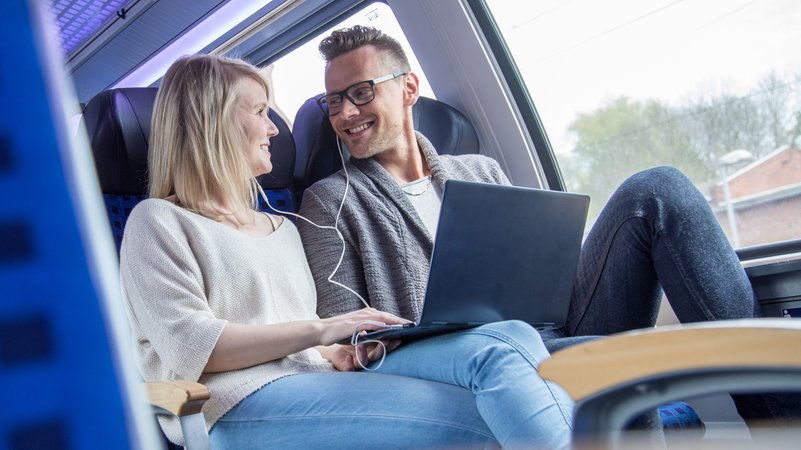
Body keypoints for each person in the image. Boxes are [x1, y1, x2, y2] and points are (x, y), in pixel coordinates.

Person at [296, 25, 800, 431]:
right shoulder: (332, 201)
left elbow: (532, 267)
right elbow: (346, 331)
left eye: (360, 93)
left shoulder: (480, 170)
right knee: (613, 359)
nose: (345, 113)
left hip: (552, 322)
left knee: (658, 189)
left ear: (408, 87)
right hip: (477, 355)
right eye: (333, 101)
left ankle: (781, 420)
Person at [119, 53, 574, 449]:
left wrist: (336, 352)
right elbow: (192, 348)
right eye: (259, 111)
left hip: (312, 383)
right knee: (483, 423)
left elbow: (296, 338)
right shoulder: (158, 221)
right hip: (229, 405)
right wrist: (325, 332)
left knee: (507, 358)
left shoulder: (282, 226)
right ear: (212, 121)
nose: (273, 128)